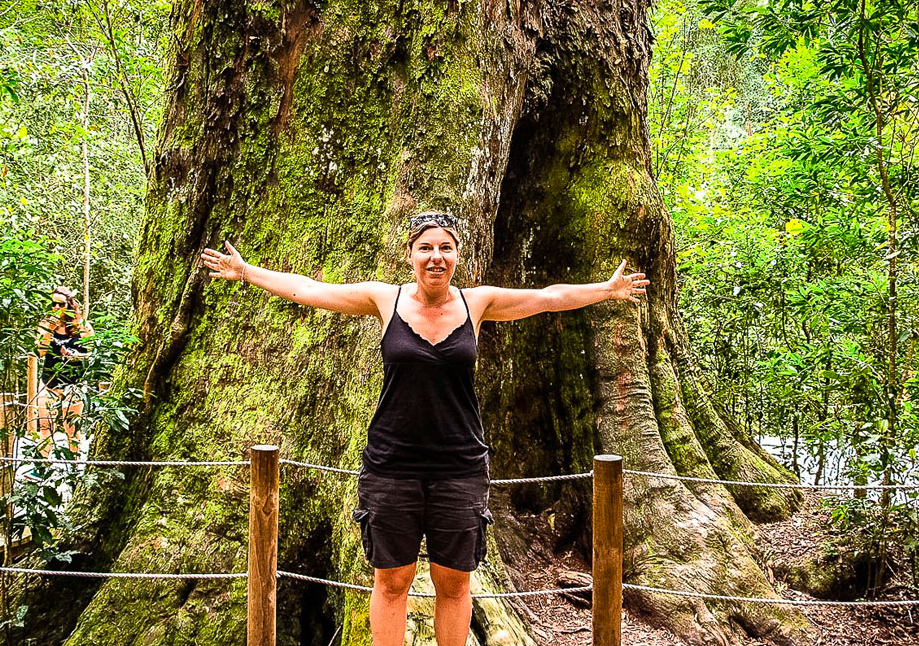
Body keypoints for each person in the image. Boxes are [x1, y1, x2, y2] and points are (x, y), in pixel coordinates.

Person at [201, 212, 648, 646]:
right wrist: (245, 272)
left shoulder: (479, 302)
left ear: (458, 256)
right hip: (391, 465)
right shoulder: (384, 299)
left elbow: (548, 297)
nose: (436, 256)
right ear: (410, 254)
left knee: (454, 583)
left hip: (460, 467)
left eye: (446, 248)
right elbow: (308, 290)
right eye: (426, 248)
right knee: (391, 581)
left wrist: (607, 291)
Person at [34, 286, 93, 456]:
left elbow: (91, 352)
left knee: (72, 429)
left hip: (74, 384)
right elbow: (41, 351)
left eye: (61, 304)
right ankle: (42, 468)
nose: (57, 308)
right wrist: (49, 329)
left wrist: (75, 356)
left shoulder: (81, 326)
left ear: (69, 305)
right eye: (53, 304)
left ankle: (73, 467)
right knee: (46, 427)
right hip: (49, 383)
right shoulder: (45, 325)